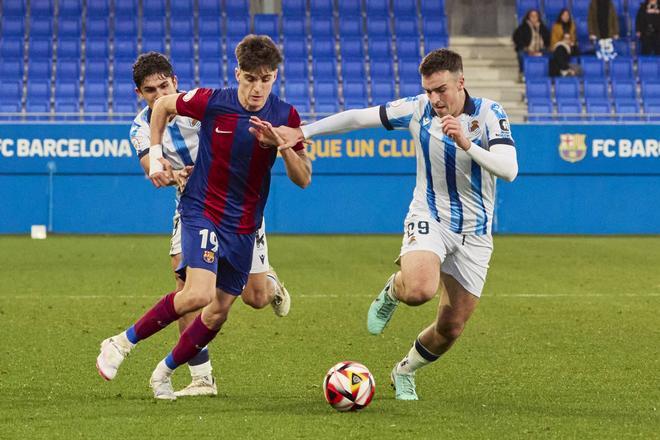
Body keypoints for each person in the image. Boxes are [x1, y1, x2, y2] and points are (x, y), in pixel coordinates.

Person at [251, 48, 518, 401]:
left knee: (451, 327)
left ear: (461, 82)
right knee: (420, 290)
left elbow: (509, 170)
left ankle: (404, 370)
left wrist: (466, 143)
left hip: (476, 232)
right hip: (430, 216)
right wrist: (300, 132)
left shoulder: (489, 114)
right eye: (428, 91)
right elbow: (358, 118)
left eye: (441, 90)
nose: (434, 99)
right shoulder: (417, 109)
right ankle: (395, 288)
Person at [97, 35, 311, 400]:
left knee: (254, 298)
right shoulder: (201, 106)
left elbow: (303, 177)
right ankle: (186, 370)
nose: (257, 87)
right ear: (237, 74)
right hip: (198, 207)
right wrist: (161, 165)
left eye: (265, 79)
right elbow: (155, 153)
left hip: (244, 217)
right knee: (192, 290)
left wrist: (283, 146)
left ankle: (271, 283)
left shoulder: (282, 115)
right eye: (249, 78)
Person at [513, 9, 550, 78]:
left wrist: (537, 30)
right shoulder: (523, 27)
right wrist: (527, 49)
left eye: (536, 16)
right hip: (527, 49)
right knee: (520, 54)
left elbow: (548, 39)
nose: (534, 18)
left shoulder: (542, 27)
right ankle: (522, 73)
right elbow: (516, 38)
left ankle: (547, 74)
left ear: (538, 17)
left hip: (540, 49)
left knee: (552, 53)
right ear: (528, 17)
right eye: (532, 16)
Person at [549, 9, 581, 77]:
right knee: (560, 49)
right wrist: (563, 41)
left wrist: (570, 42)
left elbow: (574, 39)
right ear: (561, 16)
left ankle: (564, 69)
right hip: (559, 46)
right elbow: (554, 41)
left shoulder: (572, 26)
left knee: (555, 60)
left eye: (567, 15)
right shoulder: (556, 26)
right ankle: (566, 69)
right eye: (564, 15)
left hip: (570, 47)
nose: (565, 17)